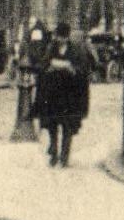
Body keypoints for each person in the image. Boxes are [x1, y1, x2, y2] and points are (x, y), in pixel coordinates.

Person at [33, 21, 92, 167]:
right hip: (53, 94)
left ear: (67, 37)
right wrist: (50, 67)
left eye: (62, 37)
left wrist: (71, 68)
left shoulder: (75, 49)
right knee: (52, 124)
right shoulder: (51, 48)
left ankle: (64, 156)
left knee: (67, 126)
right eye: (58, 37)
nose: (59, 40)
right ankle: (53, 151)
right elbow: (43, 65)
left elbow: (82, 69)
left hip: (69, 95)